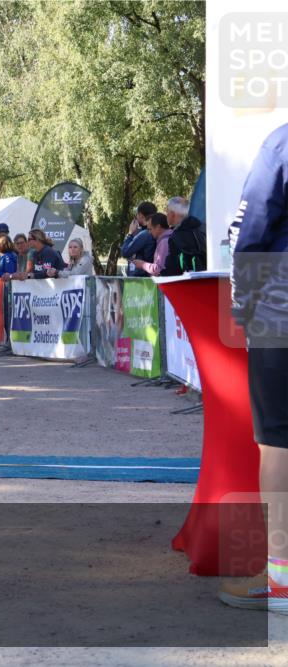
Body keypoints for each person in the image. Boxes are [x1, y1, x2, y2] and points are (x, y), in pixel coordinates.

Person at [219, 123, 288, 614]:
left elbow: (248, 229)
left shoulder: (282, 143)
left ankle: (283, 579)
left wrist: (242, 304)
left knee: (279, 441)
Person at [163, 196, 207, 275]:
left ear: (173, 214)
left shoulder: (176, 236)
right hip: (210, 278)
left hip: (188, 282)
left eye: (167, 211)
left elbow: (172, 268)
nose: (166, 214)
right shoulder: (203, 228)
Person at [121, 202, 158, 277]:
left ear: (140, 215)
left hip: (140, 278)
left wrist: (130, 233)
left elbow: (125, 252)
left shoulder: (145, 234)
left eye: (137, 214)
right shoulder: (154, 231)